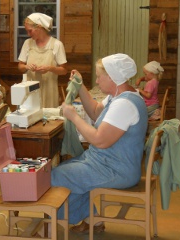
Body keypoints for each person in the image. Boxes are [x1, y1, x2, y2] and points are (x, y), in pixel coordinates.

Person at [51, 53, 148, 233]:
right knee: (66, 168)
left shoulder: (124, 104)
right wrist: (81, 87)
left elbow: (99, 140)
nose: (97, 80)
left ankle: (57, 224)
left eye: (99, 76)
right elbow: (96, 112)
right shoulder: (118, 96)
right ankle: (92, 221)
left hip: (116, 169)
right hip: (107, 163)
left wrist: (73, 116)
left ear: (112, 77)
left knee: (55, 176)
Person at [18, 12, 68, 108]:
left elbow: (64, 70)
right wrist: (26, 66)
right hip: (30, 90)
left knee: (48, 119)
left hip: (49, 90)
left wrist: (49, 68)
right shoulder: (27, 44)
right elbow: (20, 67)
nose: (28, 34)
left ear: (39, 27)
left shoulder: (56, 45)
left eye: (30, 31)